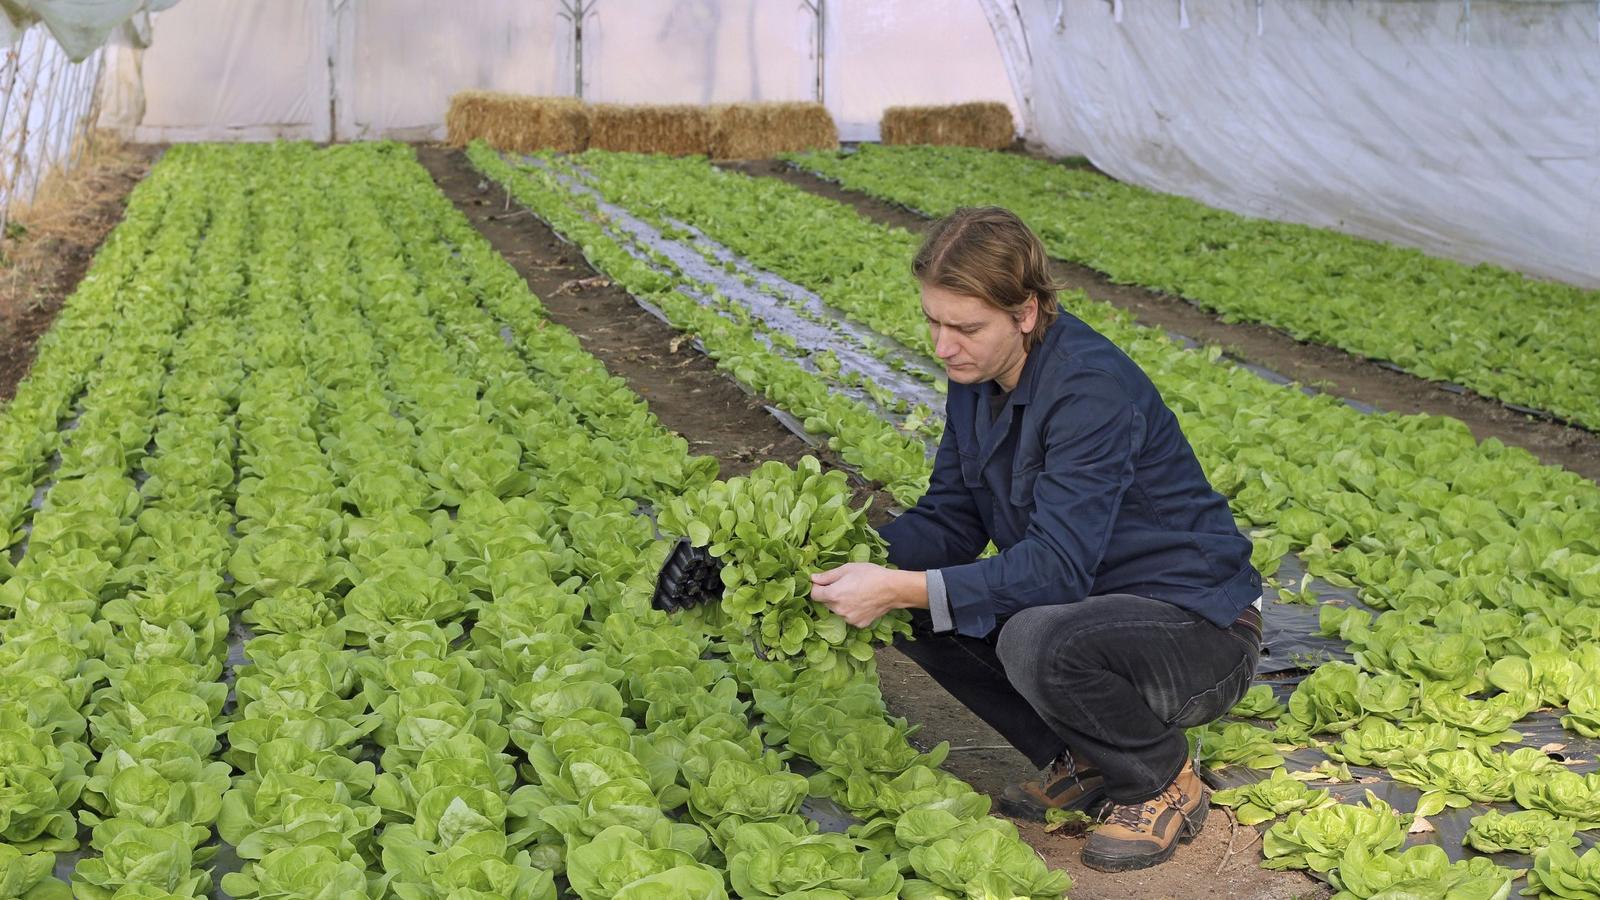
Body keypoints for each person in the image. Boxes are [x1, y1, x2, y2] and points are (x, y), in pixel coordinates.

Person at [808, 206, 1263, 873]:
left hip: (1195, 635)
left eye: (965, 327)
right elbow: (949, 521)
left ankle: (1160, 777)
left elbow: (1056, 571)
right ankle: (1080, 757)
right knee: (917, 607)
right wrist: (838, 564)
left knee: (1030, 635)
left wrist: (902, 587)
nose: (942, 346)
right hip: (1094, 618)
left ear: (1026, 311)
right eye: (932, 321)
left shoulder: (1089, 391)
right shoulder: (978, 379)